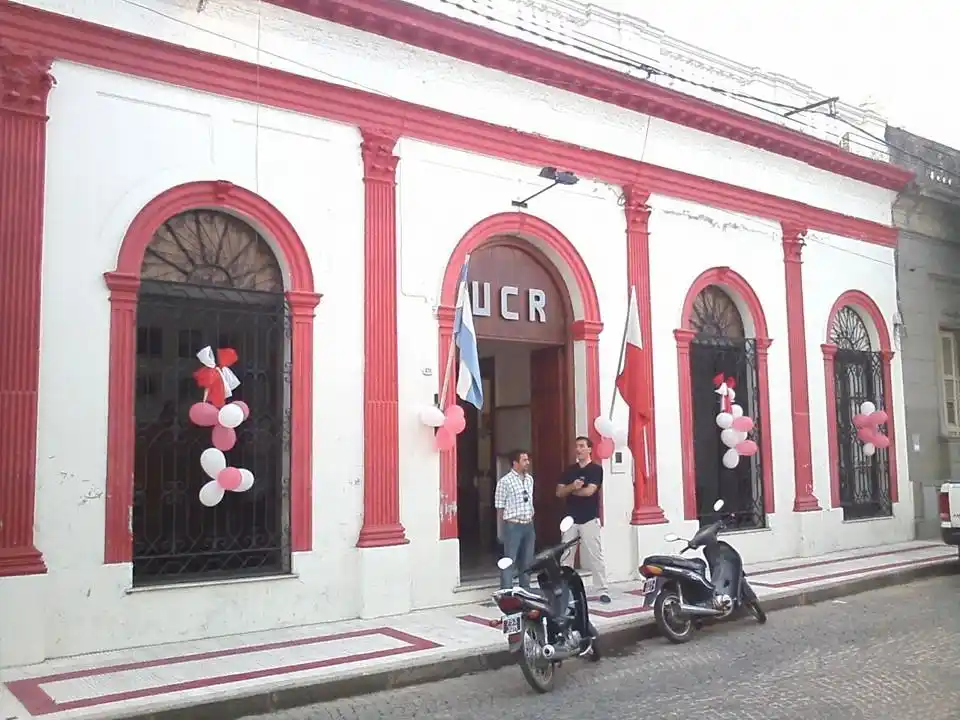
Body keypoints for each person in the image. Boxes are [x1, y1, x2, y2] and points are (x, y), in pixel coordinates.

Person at [556, 436, 610, 603]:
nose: (578, 449)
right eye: (577, 446)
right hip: (570, 519)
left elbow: (589, 492)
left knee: (595, 555)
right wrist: (573, 486)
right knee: (566, 555)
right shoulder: (569, 471)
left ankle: (602, 589)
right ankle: (565, 589)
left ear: (589, 449)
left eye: (581, 446)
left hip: (589, 518)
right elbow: (559, 492)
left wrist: (570, 491)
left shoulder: (596, 470)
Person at [495, 449, 536, 590]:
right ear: (515, 463)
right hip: (513, 526)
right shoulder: (505, 482)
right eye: (524, 460)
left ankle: (525, 590)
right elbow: (500, 507)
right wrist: (502, 530)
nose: (527, 463)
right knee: (509, 560)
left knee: (527, 561)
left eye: (527, 460)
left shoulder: (529, 480)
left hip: (528, 524)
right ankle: (506, 591)